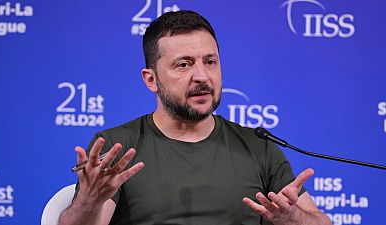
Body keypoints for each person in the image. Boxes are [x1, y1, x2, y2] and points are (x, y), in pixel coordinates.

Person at [58, 10, 331, 225]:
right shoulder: (118, 146)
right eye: (184, 64)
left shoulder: (259, 147)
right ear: (151, 79)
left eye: (210, 61)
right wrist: (88, 202)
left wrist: (291, 217)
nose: (202, 76)